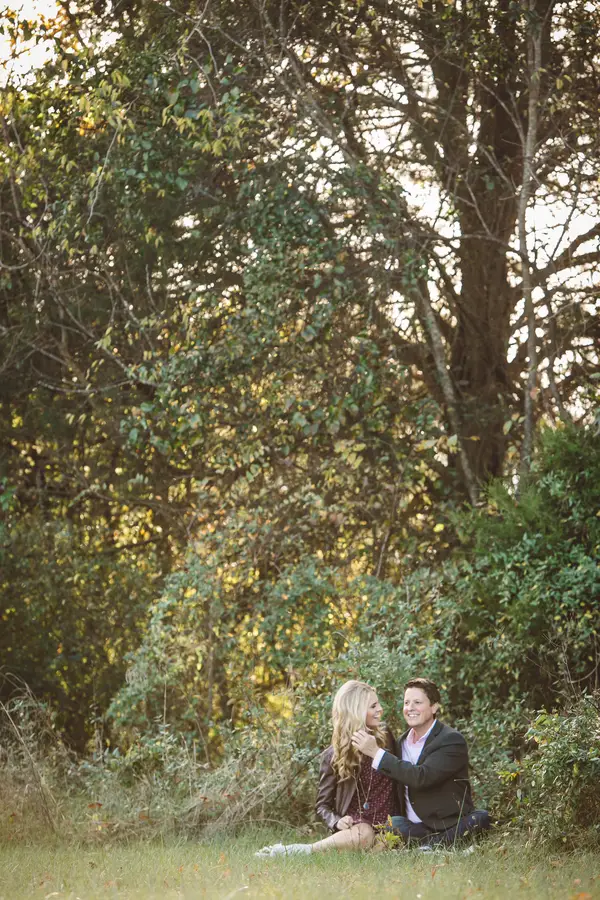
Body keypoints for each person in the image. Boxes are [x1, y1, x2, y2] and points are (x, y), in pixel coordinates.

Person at [255, 679, 399, 857]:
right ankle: (298, 852)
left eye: (378, 704)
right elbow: (323, 805)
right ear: (357, 712)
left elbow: (403, 772)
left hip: (389, 823)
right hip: (357, 828)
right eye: (373, 706)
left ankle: (355, 852)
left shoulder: (386, 738)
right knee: (365, 833)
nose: (380, 709)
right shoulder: (334, 755)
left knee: (384, 843)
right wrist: (337, 822)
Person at [351, 677, 490, 849]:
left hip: (448, 824)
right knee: (394, 823)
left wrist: (376, 753)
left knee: (481, 818)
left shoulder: (451, 740)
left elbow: (422, 777)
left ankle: (431, 846)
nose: (410, 708)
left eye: (417, 702)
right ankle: (435, 847)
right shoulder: (400, 743)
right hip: (415, 828)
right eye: (406, 702)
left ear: (434, 707)